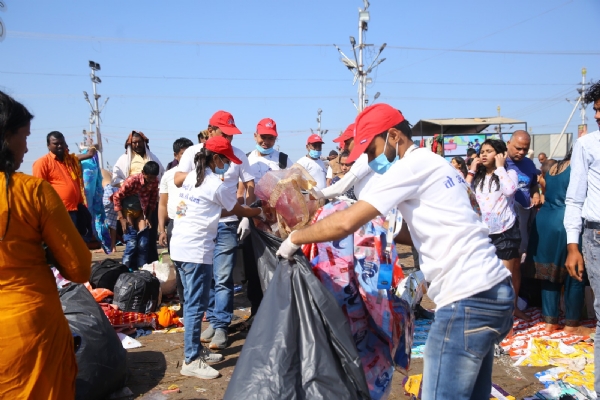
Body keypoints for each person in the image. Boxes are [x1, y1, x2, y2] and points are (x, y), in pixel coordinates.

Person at [277, 103, 513, 399]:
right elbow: (414, 229)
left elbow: (347, 222)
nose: (370, 159)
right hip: (496, 292)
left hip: (466, 299)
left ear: (393, 136)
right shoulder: (436, 163)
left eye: (371, 151)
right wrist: (371, 229)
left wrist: (298, 237)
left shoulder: (408, 167)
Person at [0, 91, 91, 399]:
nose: (27, 146)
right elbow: (79, 268)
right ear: (5, 137)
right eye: (23, 136)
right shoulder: (31, 191)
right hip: (29, 329)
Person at [170, 137, 263, 379]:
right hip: (196, 251)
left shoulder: (191, 178)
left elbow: (202, 208)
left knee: (193, 303)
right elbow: (238, 209)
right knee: (194, 306)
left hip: (180, 246)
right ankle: (190, 360)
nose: (227, 166)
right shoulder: (216, 185)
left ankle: (196, 350)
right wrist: (259, 211)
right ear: (216, 158)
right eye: (226, 160)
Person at [174, 110, 255, 350]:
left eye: (232, 135)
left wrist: (246, 213)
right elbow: (178, 179)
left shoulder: (238, 155)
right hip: (202, 225)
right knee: (205, 280)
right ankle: (209, 323)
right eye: (224, 134)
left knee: (222, 278)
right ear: (211, 131)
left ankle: (220, 325)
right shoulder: (193, 154)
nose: (229, 141)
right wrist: (204, 171)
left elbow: (249, 185)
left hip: (227, 224)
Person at [526, 149, 592, 335]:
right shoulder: (579, 167)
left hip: (545, 220)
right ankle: (571, 324)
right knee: (574, 273)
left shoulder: (554, 166)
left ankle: (550, 321)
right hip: (566, 221)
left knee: (549, 274)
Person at [564, 81, 600, 395]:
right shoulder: (587, 145)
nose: (599, 115)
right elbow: (574, 199)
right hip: (596, 236)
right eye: (597, 109)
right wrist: (573, 245)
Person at [237, 118, 292, 317]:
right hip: (252, 220)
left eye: (270, 138)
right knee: (253, 267)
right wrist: (244, 216)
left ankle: (278, 312)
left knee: (278, 264)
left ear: (275, 139)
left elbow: (292, 189)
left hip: (276, 223)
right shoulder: (246, 159)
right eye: (263, 137)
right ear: (255, 136)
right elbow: (241, 190)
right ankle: (256, 311)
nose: (266, 142)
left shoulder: (284, 160)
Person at [466, 139, 523, 320]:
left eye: (489, 151)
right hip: (484, 233)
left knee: (505, 279)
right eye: (482, 151)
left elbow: (509, 190)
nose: (483, 154)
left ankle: (508, 320)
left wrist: (500, 167)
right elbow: (462, 192)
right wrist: (471, 170)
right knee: (485, 275)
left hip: (505, 231)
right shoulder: (479, 177)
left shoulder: (509, 173)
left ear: (500, 154)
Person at [112, 131, 164, 264]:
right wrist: (121, 217)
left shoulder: (151, 160)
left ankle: (144, 266)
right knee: (131, 241)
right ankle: (127, 266)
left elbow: (153, 196)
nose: (137, 145)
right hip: (129, 203)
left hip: (144, 205)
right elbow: (116, 183)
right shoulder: (125, 160)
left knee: (145, 240)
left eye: (139, 142)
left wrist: (149, 215)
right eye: (134, 142)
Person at [32, 131, 95, 240]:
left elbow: (87, 155)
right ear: (48, 145)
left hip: (76, 207)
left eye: (62, 143)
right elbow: (39, 190)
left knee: (77, 239)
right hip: (59, 211)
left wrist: (93, 148)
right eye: (56, 144)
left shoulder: (70, 160)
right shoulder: (42, 163)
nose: (60, 146)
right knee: (64, 241)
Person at [158, 137, 194, 316]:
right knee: (179, 267)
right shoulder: (168, 175)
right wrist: (162, 229)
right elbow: (163, 204)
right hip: (175, 224)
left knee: (196, 267)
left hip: (195, 225)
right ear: (176, 156)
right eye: (183, 154)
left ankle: (198, 305)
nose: (187, 158)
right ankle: (184, 303)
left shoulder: (199, 174)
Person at [112, 161, 160, 269]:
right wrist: (121, 218)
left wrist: (148, 217)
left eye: (154, 178)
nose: (152, 180)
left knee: (143, 243)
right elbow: (116, 197)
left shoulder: (154, 182)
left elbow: (152, 200)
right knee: (132, 244)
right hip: (127, 211)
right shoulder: (132, 180)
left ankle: (141, 269)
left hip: (141, 212)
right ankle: (124, 269)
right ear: (143, 173)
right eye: (150, 177)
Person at [311, 123, 376, 201]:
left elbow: (342, 186)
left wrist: (315, 195)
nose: (344, 147)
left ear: (359, 139)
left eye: (347, 143)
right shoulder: (364, 158)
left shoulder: (365, 158)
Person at [506, 130, 540, 258]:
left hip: (524, 217)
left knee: (522, 251)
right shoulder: (500, 163)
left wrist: (536, 195)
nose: (521, 152)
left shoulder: (529, 163)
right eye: (518, 148)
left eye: (525, 150)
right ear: (508, 143)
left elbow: (533, 185)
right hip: (507, 220)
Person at [102, 169, 118, 253]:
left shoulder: (97, 170)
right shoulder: (107, 171)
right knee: (113, 223)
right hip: (115, 190)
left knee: (102, 221)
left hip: (106, 191)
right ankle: (113, 246)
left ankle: (104, 247)